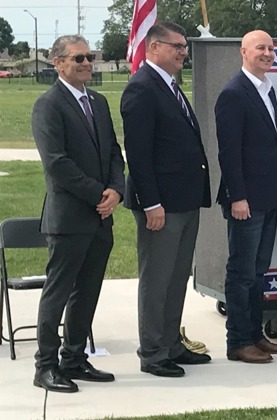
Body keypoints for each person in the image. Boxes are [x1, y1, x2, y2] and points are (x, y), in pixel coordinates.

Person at [30, 34, 125, 393]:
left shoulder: (98, 102)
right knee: (58, 293)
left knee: (87, 292)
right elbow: (57, 164)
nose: (87, 63)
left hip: (102, 217)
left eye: (90, 57)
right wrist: (99, 193)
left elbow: (114, 151)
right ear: (58, 63)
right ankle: (46, 366)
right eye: (79, 58)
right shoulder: (48, 105)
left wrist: (117, 190)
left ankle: (74, 358)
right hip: (70, 219)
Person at [121, 22, 212, 377]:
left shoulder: (169, 86)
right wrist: (151, 203)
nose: (183, 52)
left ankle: (172, 343)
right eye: (177, 46)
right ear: (154, 47)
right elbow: (139, 154)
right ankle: (153, 353)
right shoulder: (142, 88)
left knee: (176, 279)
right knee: (157, 280)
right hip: (161, 206)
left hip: (185, 200)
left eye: (185, 47)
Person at [215, 30, 277, 364]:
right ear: (243, 51)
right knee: (242, 272)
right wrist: (237, 196)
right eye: (261, 47)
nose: (268, 53)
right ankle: (238, 341)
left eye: (272, 48)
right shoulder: (234, 93)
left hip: (268, 197)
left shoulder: (266, 90)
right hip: (246, 201)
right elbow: (228, 153)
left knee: (259, 272)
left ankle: (255, 333)